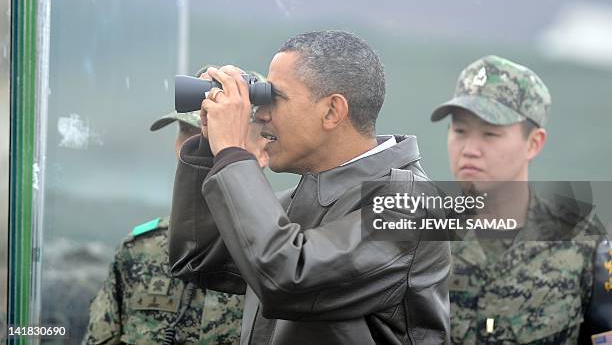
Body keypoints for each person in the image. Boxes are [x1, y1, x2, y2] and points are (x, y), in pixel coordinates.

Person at [169, 30, 451, 344]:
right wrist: (210, 150)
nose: (260, 114)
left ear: (332, 111)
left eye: (274, 98)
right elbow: (197, 259)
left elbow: (288, 277)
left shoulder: (412, 206)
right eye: (261, 97)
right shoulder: (293, 203)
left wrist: (232, 155)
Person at [430, 55, 611, 344]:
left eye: (490, 133)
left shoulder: (583, 245)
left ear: (534, 143)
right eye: (459, 131)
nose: (469, 149)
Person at [83, 82, 270, 344]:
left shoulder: (284, 254)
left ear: (262, 148)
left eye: (217, 132)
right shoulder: (139, 252)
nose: (198, 148)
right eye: (188, 132)